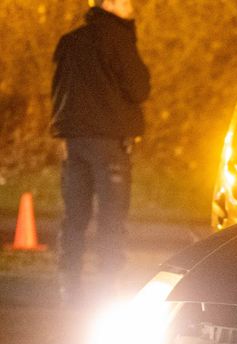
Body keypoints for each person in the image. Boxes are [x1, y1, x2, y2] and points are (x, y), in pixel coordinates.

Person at [50, 0, 150, 305]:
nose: (131, 6)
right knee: (111, 218)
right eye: (125, 1)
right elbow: (140, 88)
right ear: (109, 4)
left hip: (75, 143)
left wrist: (63, 133)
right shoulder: (118, 40)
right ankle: (107, 289)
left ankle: (70, 287)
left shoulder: (70, 41)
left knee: (74, 217)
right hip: (110, 144)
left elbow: (57, 91)